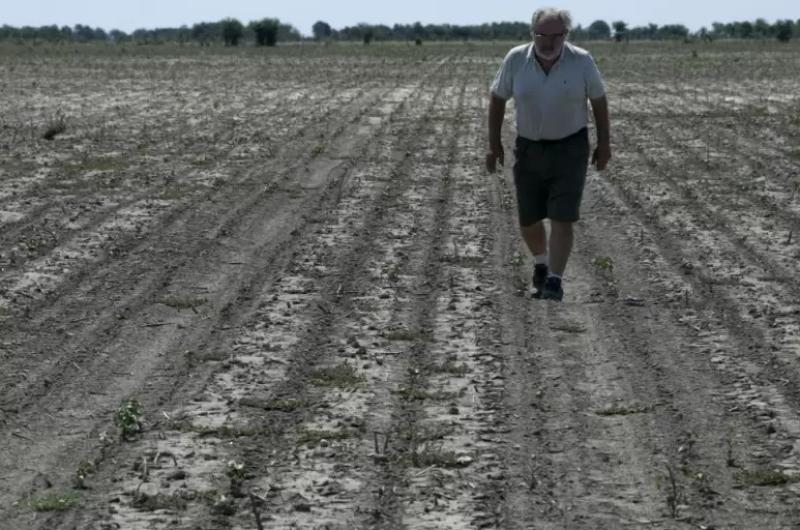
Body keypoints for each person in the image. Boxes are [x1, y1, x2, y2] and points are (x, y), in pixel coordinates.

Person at [486, 7, 611, 301]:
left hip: (570, 148)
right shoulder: (516, 59)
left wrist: (604, 144)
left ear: (566, 34)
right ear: (533, 33)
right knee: (529, 219)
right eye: (543, 34)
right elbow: (497, 98)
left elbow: (599, 100)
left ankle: (554, 280)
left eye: (557, 35)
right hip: (529, 148)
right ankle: (541, 265)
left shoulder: (581, 61)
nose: (549, 41)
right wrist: (494, 144)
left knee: (561, 216)